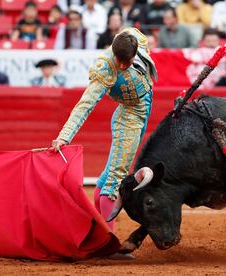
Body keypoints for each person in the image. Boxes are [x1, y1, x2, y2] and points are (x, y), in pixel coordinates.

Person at [50, 28, 157, 233]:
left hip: (141, 110)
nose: (123, 66)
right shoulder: (104, 69)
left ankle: (99, 229)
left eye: (128, 62)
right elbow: (85, 104)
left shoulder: (135, 37)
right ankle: (108, 240)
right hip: (129, 116)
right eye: (120, 62)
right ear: (114, 54)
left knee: (109, 174)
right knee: (116, 178)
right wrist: (64, 136)